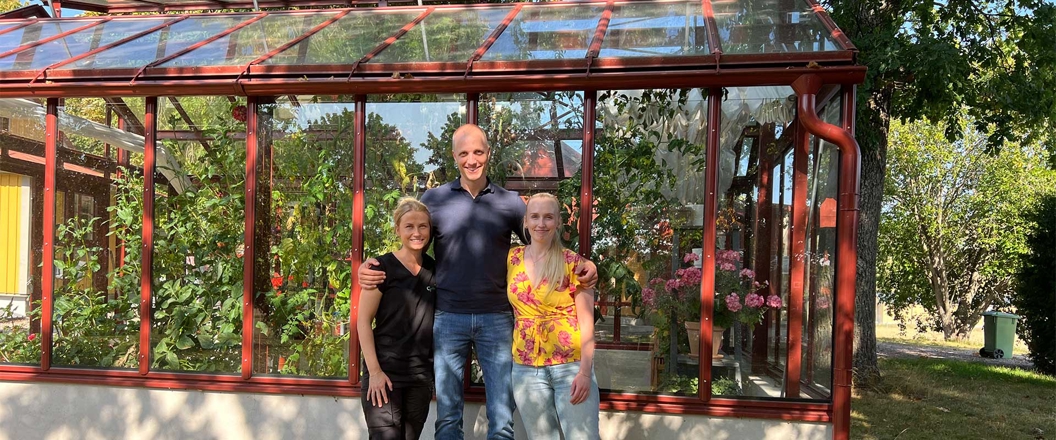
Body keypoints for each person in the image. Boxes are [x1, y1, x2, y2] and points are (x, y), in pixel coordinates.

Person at [359, 124, 597, 440]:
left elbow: (542, 241)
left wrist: (586, 262)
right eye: (464, 153)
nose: (472, 160)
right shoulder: (435, 199)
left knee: (501, 419)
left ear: (488, 153)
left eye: (478, 152)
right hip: (448, 318)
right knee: (447, 419)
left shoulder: (510, 202)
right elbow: (412, 238)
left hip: (497, 319)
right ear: (455, 157)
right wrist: (372, 265)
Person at [507, 193, 599, 440]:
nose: (541, 224)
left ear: (558, 222)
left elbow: (587, 323)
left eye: (548, 217)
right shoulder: (511, 259)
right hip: (526, 368)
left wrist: (584, 373)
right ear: (525, 221)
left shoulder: (574, 264)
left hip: (569, 367)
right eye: (534, 217)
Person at [358, 198, 436, 440]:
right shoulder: (380, 268)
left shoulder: (436, 270)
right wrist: (375, 372)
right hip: (384, 373)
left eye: (423, 226)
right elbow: (363, 321)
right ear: (398, 230)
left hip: (419, 376)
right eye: (409, 226)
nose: (417, 232)